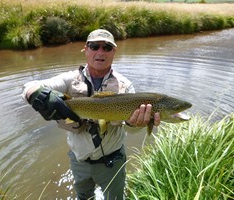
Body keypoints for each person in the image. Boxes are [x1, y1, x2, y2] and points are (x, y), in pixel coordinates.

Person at [21, 29, 160, 199]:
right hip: (78, 160)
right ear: (86, 49)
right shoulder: (69, 80)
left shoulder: (126, 86)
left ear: (114, 52)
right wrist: (36, 94)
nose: (100, 52)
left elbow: (130, 130)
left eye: (107, 47)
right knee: (83, 197)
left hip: (112, 162)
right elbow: (29, 86)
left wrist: (135, 124)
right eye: (95, 46)